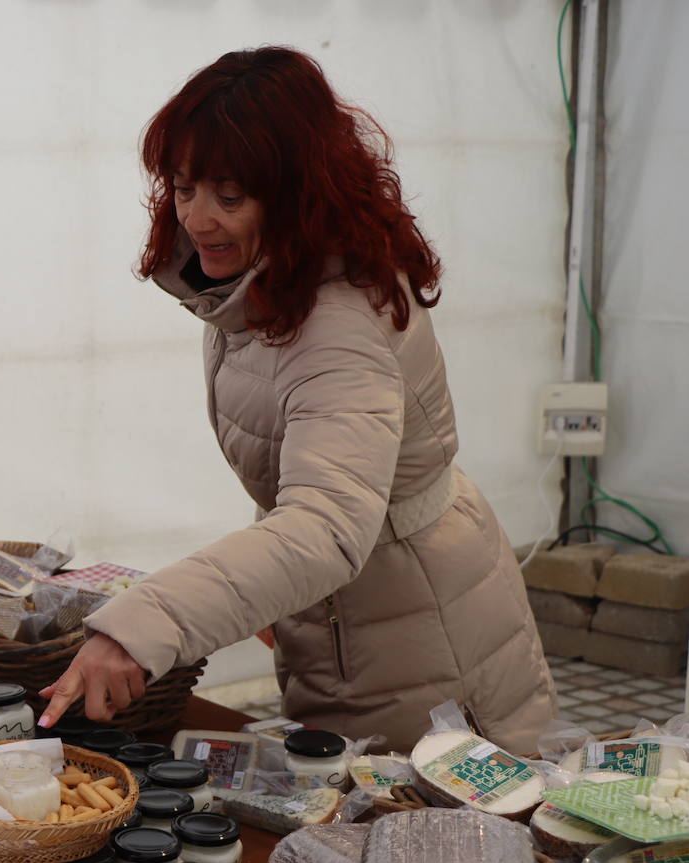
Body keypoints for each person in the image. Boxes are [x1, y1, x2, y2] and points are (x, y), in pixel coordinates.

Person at [38, 47, 557, 754]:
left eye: (230, 195)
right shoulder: (260, 285)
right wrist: (274, 583)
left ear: (297, 191)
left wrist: (144, 624)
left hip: (423, 641)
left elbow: (326, 527)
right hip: (356, 612)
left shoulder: (337, 327)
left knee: (428, 840)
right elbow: (312, 478)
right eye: (184, 187)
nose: (197, 219)